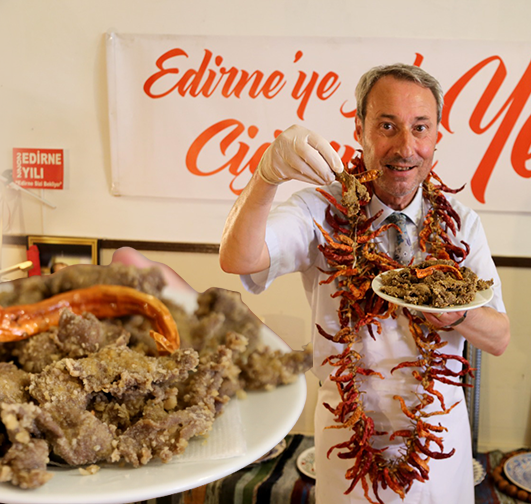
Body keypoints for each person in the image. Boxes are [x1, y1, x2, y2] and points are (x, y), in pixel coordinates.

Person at [219, 63, 510, 503]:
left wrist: (459, 315)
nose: (406, 147)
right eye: (387, 126)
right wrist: (266, 176)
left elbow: (500, 336)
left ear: (437, 138)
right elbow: (238, 257)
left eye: (420, 128)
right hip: (347, 445)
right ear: (359, 129)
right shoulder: (321, 210)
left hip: (438, 456)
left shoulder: (460, 224)